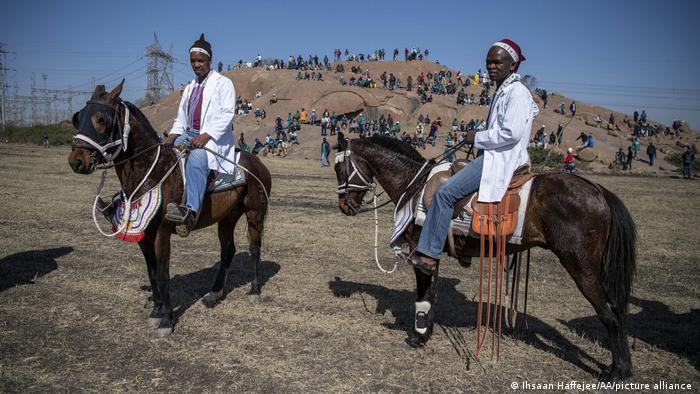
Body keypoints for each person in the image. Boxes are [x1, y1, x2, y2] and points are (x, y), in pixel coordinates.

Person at [412, 39, 538, 274]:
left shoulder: (517, 92)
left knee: (445, 194)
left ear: (512, 65)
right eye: (488, 62)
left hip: (501, 160)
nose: (491, 66)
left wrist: (477, 137)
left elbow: (511, 133)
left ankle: (429, 254)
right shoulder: (503, 90)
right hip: (494, 155)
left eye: (497, 62)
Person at [163, 34, 236, 236]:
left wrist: (206, 135)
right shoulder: (189, 88)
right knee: (161, 151)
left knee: (195, 159)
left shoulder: (223, 83)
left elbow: (227, 114)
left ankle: (191, 213)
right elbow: (181, 118)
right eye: (193, 61)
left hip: (214, 139)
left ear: (210, 61)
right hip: (188, 133)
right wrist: (173, 135)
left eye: (200, 61)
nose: (196, 64)